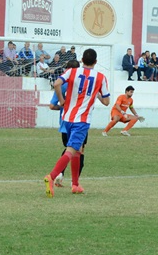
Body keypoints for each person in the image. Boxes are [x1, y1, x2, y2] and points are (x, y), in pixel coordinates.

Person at [43, 48, 110, 197]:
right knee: (71, 150)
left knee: (78, 150)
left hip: (66, 118)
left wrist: (62, 100)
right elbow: (106, 101)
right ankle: (51, 177)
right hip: (82, 120)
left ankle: (75, 185)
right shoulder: (100, 77)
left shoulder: (72, 71)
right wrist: (97, 94)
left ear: (81, 60)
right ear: (96, 62)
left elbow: (56, 84)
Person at [49, 59, 84, 188]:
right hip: (79, 121)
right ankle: (74, 182)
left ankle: (60, 175)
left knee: (70, 149)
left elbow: (52, 106)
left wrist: (62, 106)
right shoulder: (81, 83)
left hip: (64, 124)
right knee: (78, 151)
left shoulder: (62, 85)